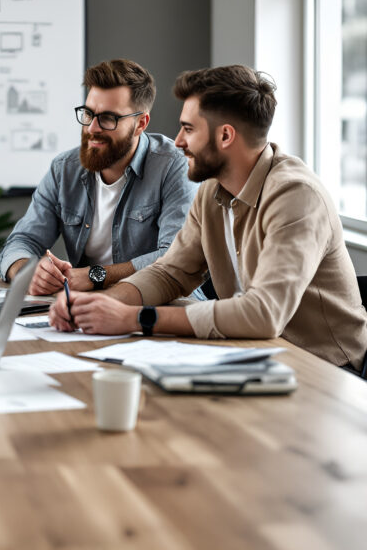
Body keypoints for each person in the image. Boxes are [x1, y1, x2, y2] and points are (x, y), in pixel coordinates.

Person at [50, 65, 367, 372]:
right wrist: (103, 304)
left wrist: (134, 318)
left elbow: (264, 314)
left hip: (325, 370)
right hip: (253, 356)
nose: (178, 141)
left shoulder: (296, 196)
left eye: (188, 129)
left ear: (226, 136)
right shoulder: (212, 190)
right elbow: (171, 273)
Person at [0, 59, 197, 298]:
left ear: (140, 123)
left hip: (161, 303)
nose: (92, 128)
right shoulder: (64, 169)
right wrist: (27, 271)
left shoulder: (173, 166)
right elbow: (22, 240)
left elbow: (175, 257)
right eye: (88, 114)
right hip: (85, 304)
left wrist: (96, 275)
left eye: (108, 118)